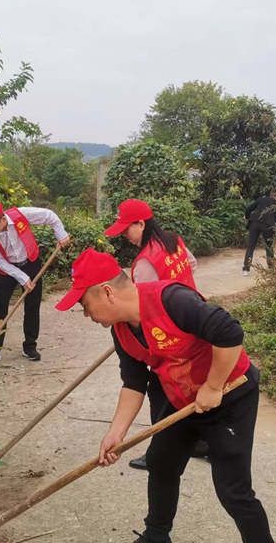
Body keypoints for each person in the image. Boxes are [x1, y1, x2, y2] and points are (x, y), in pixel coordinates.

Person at [55, 249, 274, 543]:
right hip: (183, 397)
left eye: (85, 305)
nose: (86, 314)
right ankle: (156, 536)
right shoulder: (121, 330)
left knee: (233, 490)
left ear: (107, 292)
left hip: (230, 395)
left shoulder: (170, 300)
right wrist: (115, 434)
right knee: (160, 464)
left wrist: (212, 386)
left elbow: (229, 332)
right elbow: (134, 382)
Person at [103, 198, 205, 470]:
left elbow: (143, 305)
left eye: (128, 228)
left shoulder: (144, 262)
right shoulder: (174, 240)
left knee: (160, 388)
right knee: (193, 381)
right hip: (191, 318)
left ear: (142, 223)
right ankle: (202, 442)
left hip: (166, 331)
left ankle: (158, 452)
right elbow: (191, 265)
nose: (125, 235)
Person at [0, 201, 70, 365]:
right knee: (0, 306)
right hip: (7, 270)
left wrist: (61, 234)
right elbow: (1, 262)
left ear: (3, 219)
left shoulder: (20, 214)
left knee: (32, 306)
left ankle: (30, 346)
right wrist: (23, 278)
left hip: (31, 263)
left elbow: (49, 216)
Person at [243, 191, 276, 276]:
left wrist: (247, 217)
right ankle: (271, 267)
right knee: (269, 246)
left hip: (254, 223)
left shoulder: (261, 199)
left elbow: (249, 209)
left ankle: (246, 269)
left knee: (251, 246)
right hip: (267, 225)